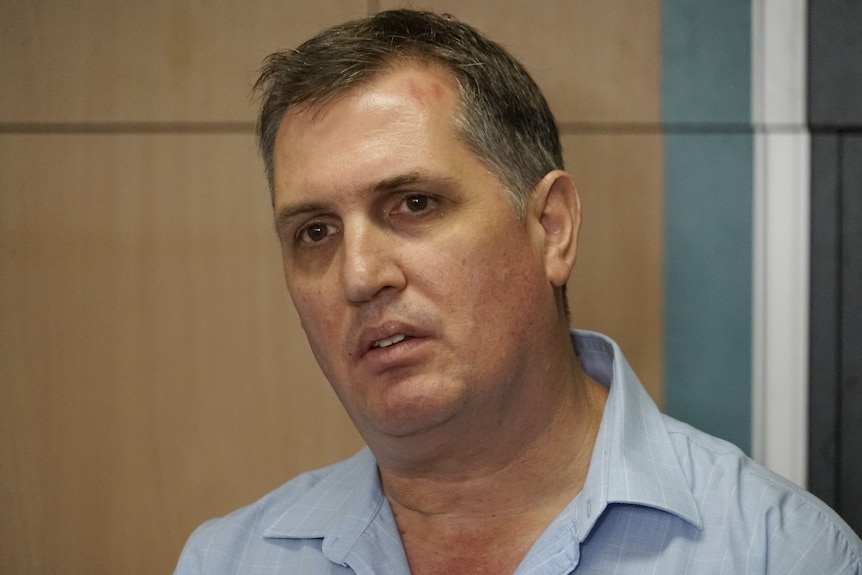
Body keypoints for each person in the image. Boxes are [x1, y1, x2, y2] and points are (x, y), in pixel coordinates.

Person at [175, 9, 861, 574]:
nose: (358, 276)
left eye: (413, 202)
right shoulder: (230, 559)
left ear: (551, 229)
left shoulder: (780, 553)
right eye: (316, 230)